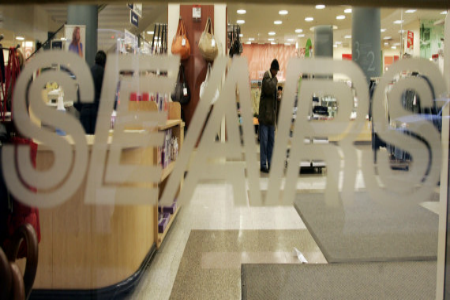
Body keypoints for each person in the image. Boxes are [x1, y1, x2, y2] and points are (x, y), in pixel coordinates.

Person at [258, 59, 279, 173]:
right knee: (264, 142)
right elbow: (269, 89)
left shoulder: (273, 79)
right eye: (276, 71)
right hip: (265, 118)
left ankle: (270, 163)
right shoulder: (267, 77)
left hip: (272, 118)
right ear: (272, 69)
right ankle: (263, 164)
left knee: (271, 142)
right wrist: (275, 81)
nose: (276, 73)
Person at [80, 50, 106, 134]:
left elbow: (76, 99)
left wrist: (84, 108)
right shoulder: (105, 75)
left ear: (95, 61)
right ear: (105, 63)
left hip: (85, 114)